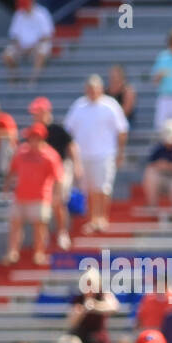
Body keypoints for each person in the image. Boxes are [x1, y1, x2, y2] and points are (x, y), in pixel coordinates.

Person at [63, 75, 129, 235]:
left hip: (105, 154)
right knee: (89, 189)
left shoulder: (110, 105)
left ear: (101, 89)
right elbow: (68, 130)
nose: (92, 92)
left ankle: (102, 218)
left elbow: (122, 130)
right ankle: (92, 219)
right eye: (89, 89)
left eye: (95, 88)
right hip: (84, 155)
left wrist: (120, 152)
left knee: (103, 188)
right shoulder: (79, 106)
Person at [3, 124, 63, 266]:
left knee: (40, 226)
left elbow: (58, 178)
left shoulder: (50, 155)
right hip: (20, 195)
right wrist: (6, 187)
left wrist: (56, 196)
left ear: (40, 138)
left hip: (41, 196)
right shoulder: (21, 152)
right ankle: (13, 252)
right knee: (15, 224)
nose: (30, 141)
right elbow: (12, 170)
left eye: (32, 138)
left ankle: (39, 253)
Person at [27, 97, 78, 252]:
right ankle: (45, 236)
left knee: (58, 200)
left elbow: (71, 146)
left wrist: (77, 165)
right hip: (41, 171)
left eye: (38, 112)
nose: (36, 115)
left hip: (61, 168)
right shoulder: (33, 132)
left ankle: (62, 232)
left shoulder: (57, 129)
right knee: (44, 203)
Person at [3, 0, 53, 83]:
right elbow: (14, 35)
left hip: (37, 46)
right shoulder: (19, 14)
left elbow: (47, 36)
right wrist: (20, 46)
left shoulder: (42, 13)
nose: (24, 8)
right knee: (7, 54)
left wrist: (31, 47)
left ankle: (32, 80)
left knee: (42, 51)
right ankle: (15, 79)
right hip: (21, 47)